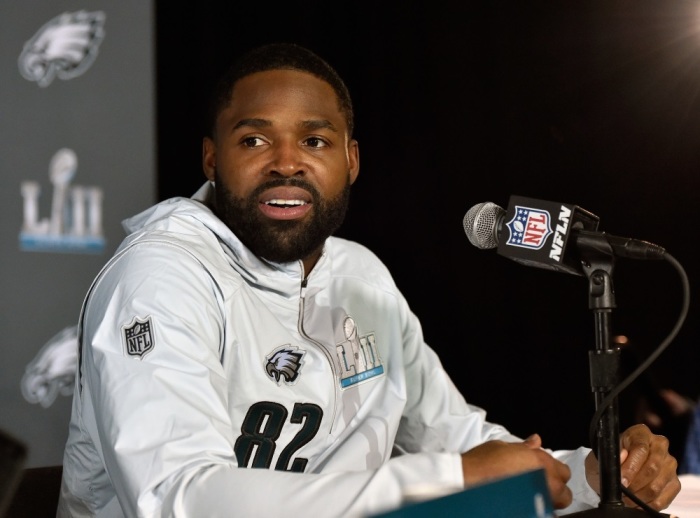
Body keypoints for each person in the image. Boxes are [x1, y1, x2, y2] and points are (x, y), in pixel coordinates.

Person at [57, 42, 681, 517]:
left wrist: (594, 474)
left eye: (316, 140)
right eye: (254, 139)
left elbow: (454, 433)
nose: (286, 163)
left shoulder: (360, 278)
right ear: (211, 159)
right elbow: (178, 498)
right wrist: (448, 483)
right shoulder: (162, 276)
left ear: (351, 161)